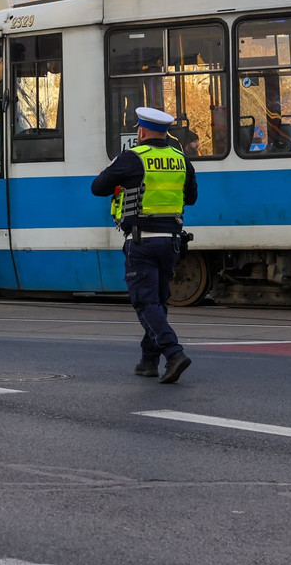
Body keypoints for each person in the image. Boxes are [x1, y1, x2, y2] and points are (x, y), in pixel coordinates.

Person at [92, 106, 198, 384]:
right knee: (158, 301)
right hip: (171, 241)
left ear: (140, 131)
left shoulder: (132, 158)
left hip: (142, 241)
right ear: (166, 133)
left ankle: (173, 353)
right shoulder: (180, 159)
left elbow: (98, 187)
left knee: (145, 301)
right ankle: (148, 361)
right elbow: (192, 197)